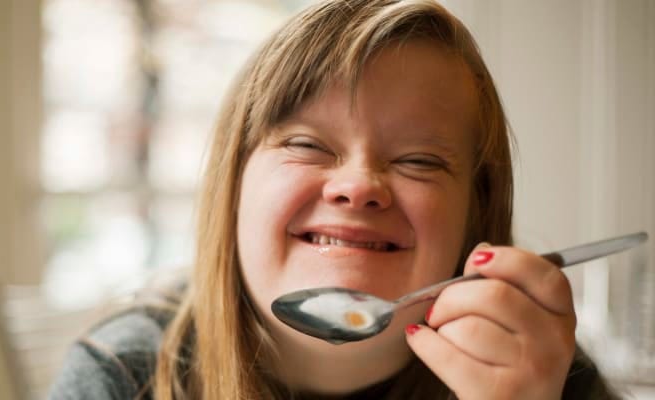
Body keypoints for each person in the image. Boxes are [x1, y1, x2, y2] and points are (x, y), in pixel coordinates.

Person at [49, 0, 622, 398]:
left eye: (419, 160)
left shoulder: (538, 373)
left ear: (478, 213)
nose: (358, 185)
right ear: (233, 185)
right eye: (305, 144)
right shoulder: (126, 375)